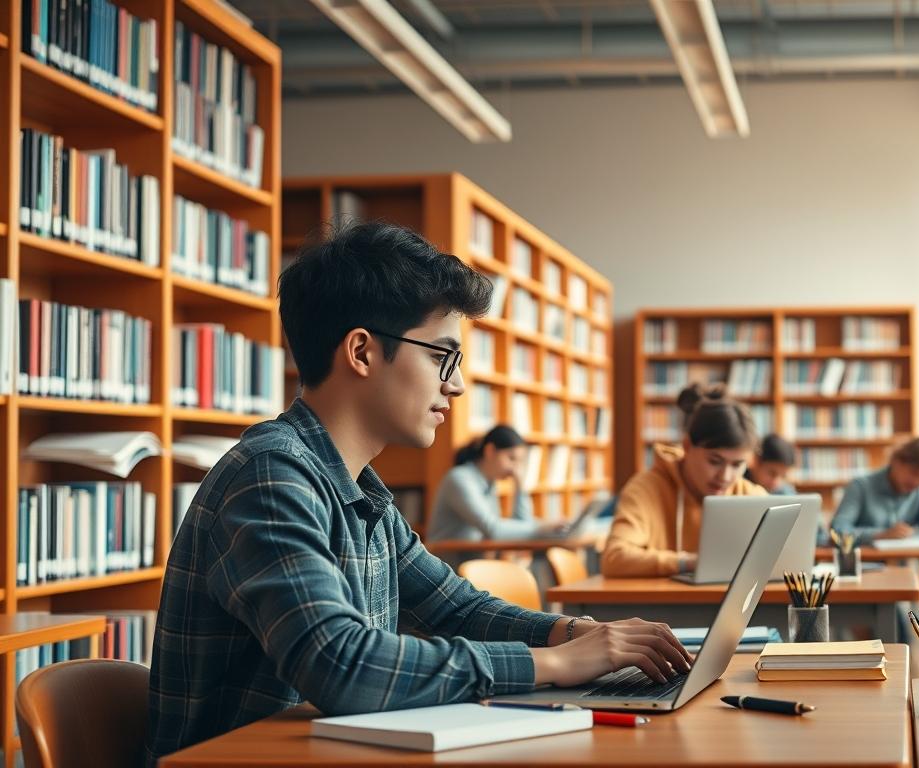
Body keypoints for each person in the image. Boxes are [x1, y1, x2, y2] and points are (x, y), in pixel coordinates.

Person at [146, 221, 690, 762]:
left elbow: (454, 609)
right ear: (361, 352)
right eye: (440, 356)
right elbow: (341, 666)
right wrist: (558, 664)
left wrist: (574, 632)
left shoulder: (358, 488)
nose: (454, 383)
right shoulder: (271, 475)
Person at [601, 383, 766, 577]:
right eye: (715, 461)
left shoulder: (750, 495)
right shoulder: (646, 489)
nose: (725, 477)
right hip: (664, 605)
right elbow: (614, 558)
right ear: (687, 446)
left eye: (737, 465)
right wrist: (690, 562)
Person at [428, 425, 568, 550]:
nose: (516, 469)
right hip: (446, 567)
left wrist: (520, 486)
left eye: (520, 462)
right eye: (511, 459)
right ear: (490, 451)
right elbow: (493, 529)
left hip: (475, 564)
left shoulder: (489, 483)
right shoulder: (459, 479)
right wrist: (541, 528)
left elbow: (522, 523)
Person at [830, 436, 919, 545]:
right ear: (896, 460)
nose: (917, 482)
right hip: (865, 565)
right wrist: (880, 535)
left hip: (905, 567)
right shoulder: (860, 486)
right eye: (914, 473)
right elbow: (838, 531)